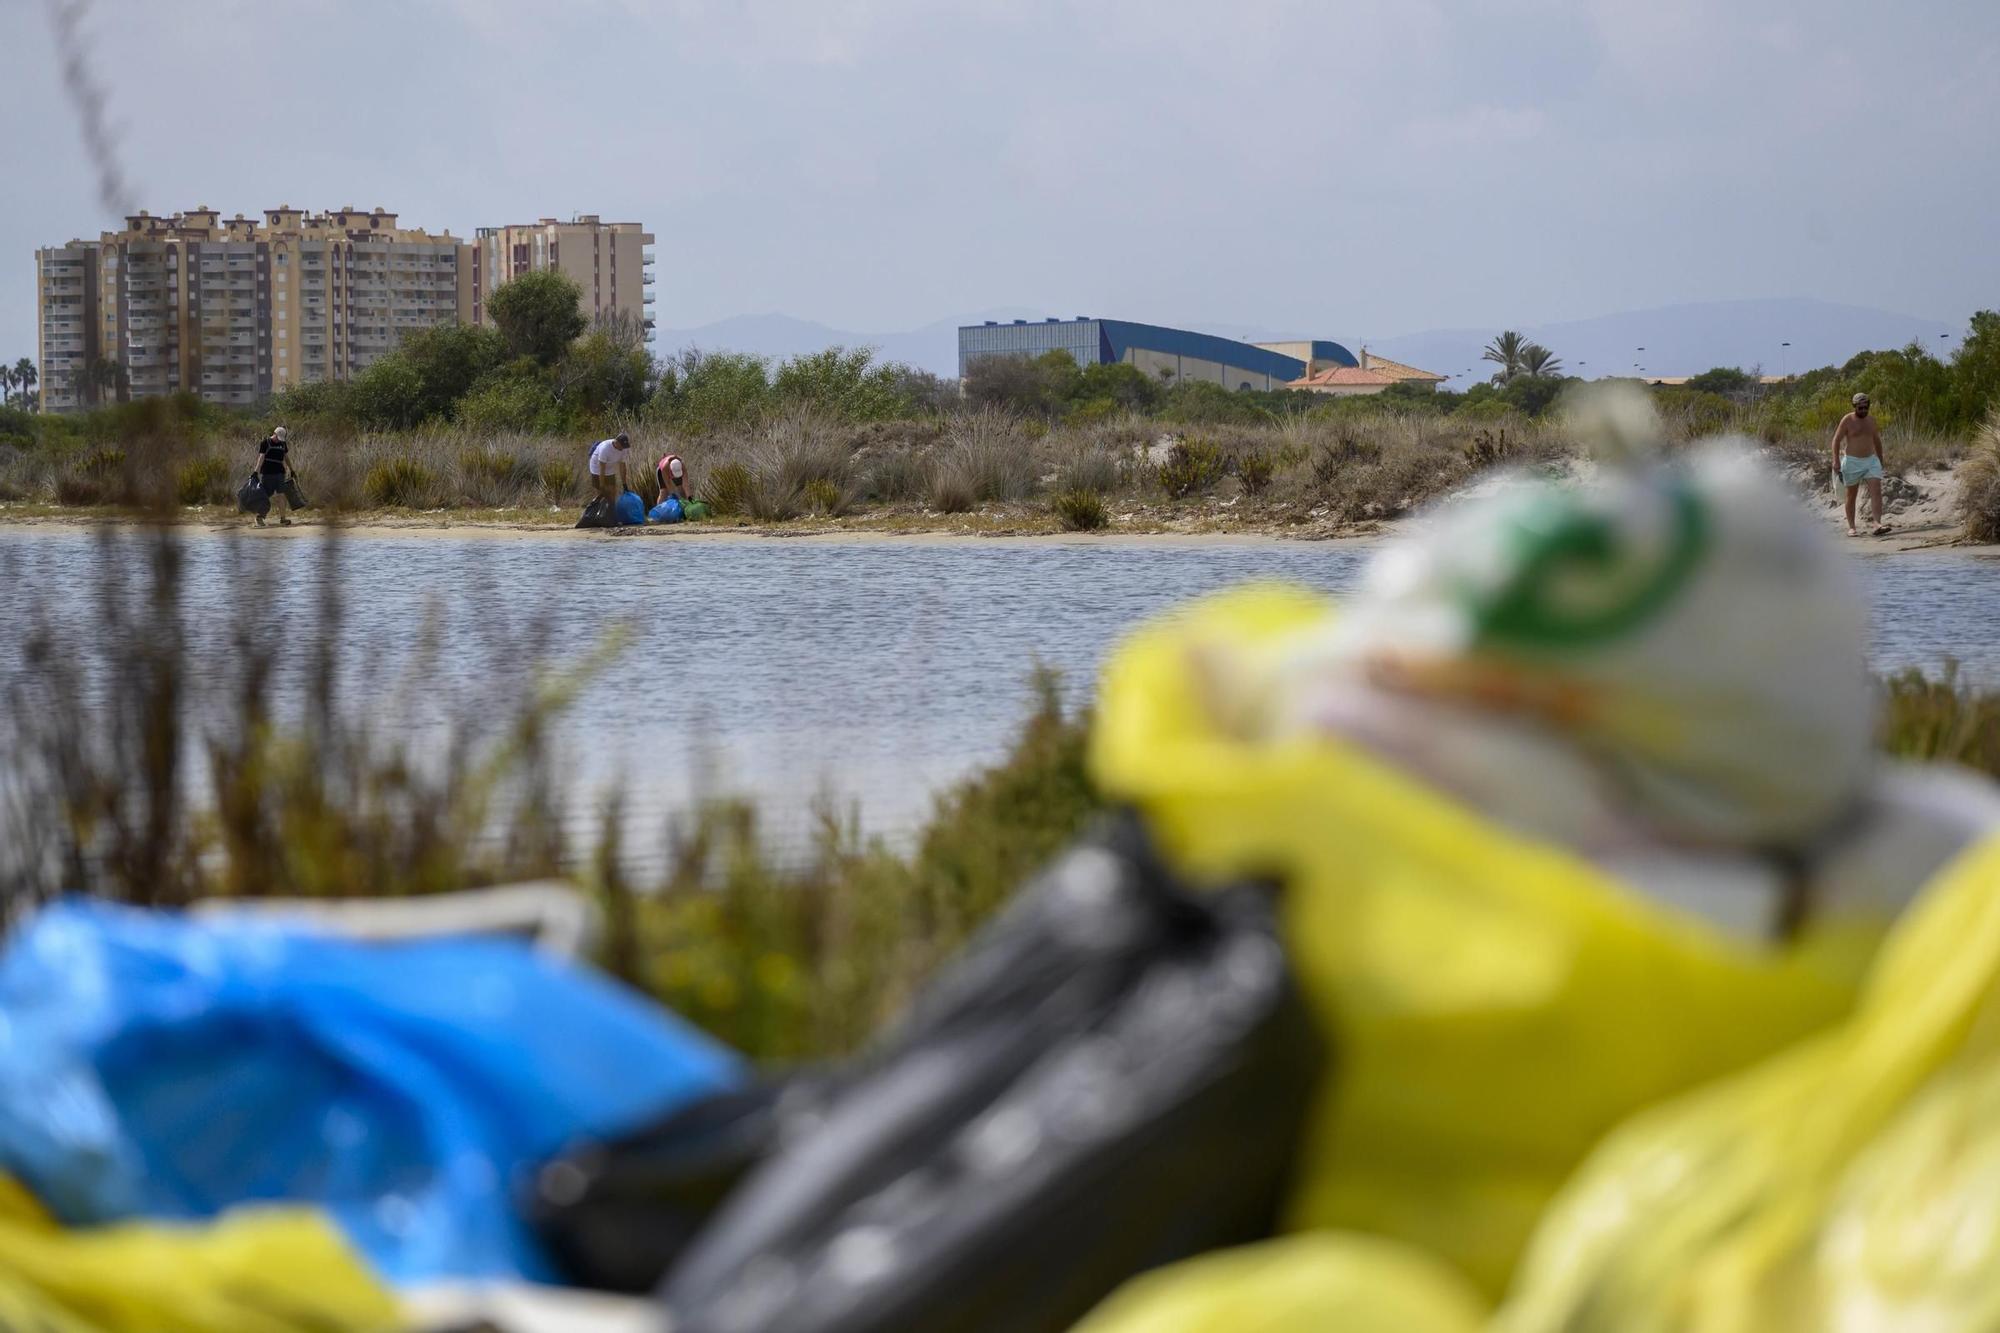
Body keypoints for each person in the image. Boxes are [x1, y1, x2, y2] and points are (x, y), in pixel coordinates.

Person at [1831, 391, 1889, 536]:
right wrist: (1836, 460)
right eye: (1860, 408)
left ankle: (1877, 524)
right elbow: (1836, 440)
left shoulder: (1871, 420)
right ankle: (1852, 527)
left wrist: (1880, 460)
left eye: (1865, 407)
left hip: (1870, 460)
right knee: (1851, 495)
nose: (1863, 410)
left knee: (1876, 489)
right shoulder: (1847, 420)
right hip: (1852, 462)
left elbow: (1877, 440)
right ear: (1855, 406)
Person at [255, 425, 294, 527]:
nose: (279, 440)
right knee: (265, 496)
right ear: (274, 434)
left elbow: (286, 457)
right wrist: (256, 471)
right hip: (267, 474)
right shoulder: (265, 443)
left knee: (281, 495)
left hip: (280, 473)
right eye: (278, 437)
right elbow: (261, 457)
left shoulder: (283, 444)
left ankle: (283, 519)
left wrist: (292, 469)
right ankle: (259, 517)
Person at [587, 432, 632, 512]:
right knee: (601, 493)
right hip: (597, 468)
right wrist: (602, 486)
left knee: (612, 492)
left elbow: (622, 467)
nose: (623, 448)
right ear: (616, 442)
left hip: (610, 469)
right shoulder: (605, 449)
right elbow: (602, 469)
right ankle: (597, 514)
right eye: (622, 446)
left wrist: (624, 485)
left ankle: (611, 513)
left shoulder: (624, 449)